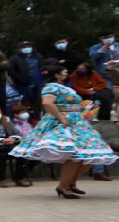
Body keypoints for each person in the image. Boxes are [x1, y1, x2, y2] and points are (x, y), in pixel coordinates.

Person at [10, 64, 118, 198]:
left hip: (77, 122)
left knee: (93, 154)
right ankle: (63, 186)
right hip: (64, 122)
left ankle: (71, 183)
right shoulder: (51, 87)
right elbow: (47, 103)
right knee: (74, 155)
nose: (67, 73)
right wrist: (61, 117)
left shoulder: (67, 88)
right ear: (57, 74)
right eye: (65, 71)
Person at [8, 41, 44, 112]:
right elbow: (11, 71)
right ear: (20, 49)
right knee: (25, 101)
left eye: (29, 47)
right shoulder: (15, 58)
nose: (27, 48)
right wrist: (20, 79)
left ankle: (37, 115)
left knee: (38, 101)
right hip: (23, 85)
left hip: (38, 83)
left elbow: (42, 68)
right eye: (24, 47)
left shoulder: (38, 56)